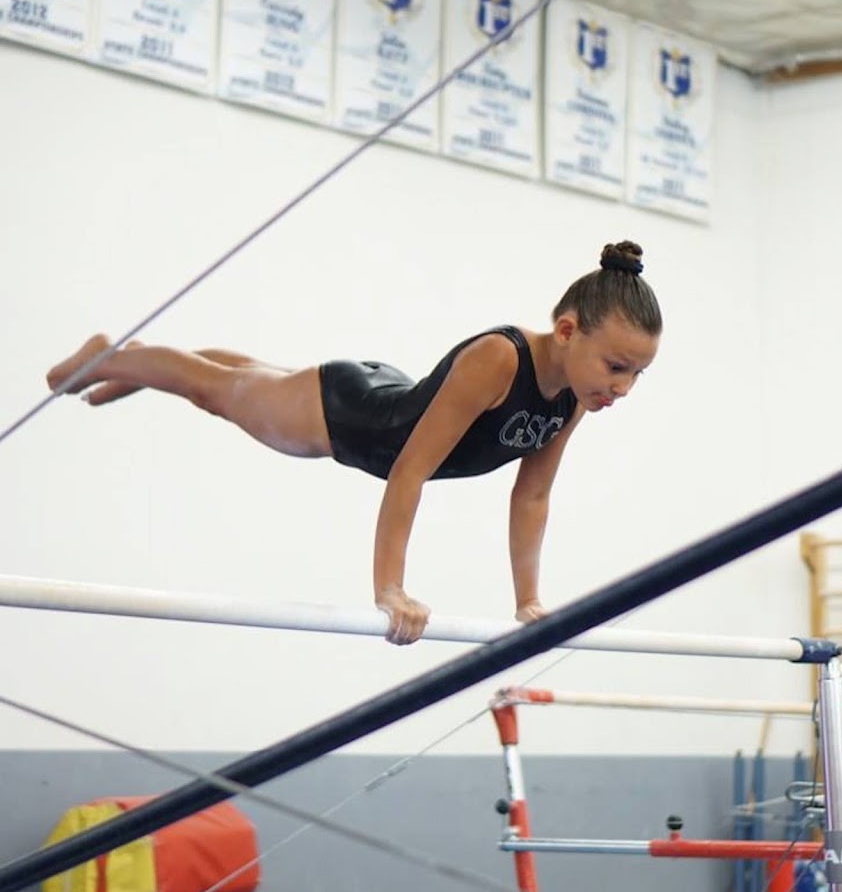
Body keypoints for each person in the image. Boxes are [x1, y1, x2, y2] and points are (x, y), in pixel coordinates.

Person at [46, 240, 662, 645]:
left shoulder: (573, 395)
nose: (624, 388)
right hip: (348, 417)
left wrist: (528, 602)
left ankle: (137, 361)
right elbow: (410, 471)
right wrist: (389, 588)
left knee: (245, 382)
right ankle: (111, 357)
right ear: (566, 331)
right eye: (616, 367)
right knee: (217, 392)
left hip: (381, 396)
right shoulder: (500, 358)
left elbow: (532, 498)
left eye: (637, 374)